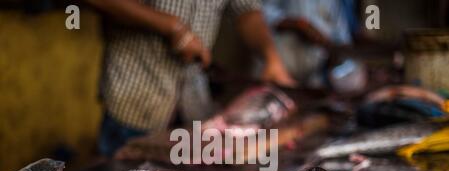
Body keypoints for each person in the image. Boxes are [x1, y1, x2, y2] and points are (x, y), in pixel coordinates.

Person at [85, 0, 296, 156]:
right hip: (135, 92)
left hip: (193, 99)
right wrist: (172, 27)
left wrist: (272, 58)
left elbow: (247, 10)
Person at [260, 0, 359, 86]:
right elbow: (259, 13)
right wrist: (298, 25)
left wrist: (331, 47)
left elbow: (342, 39)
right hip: (275, 75)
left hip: (314, 80)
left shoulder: (334, 3)